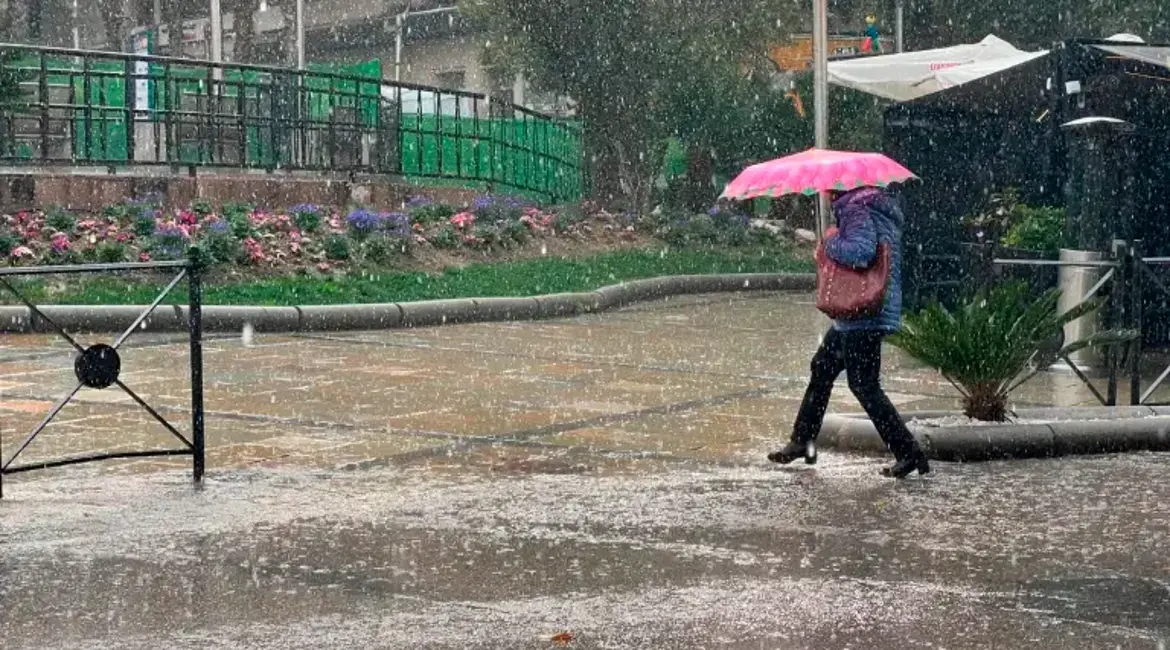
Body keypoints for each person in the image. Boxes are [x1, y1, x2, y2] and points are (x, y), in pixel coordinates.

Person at [768, 186, 930, 479]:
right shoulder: (869, 208)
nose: (825, 191)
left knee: (864, 385)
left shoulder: (856, 210)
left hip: (862, 315)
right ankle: (802, 441)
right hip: (856, 315)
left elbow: (860, 253)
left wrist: (829, 242)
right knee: (822, 368)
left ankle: (909, 452)